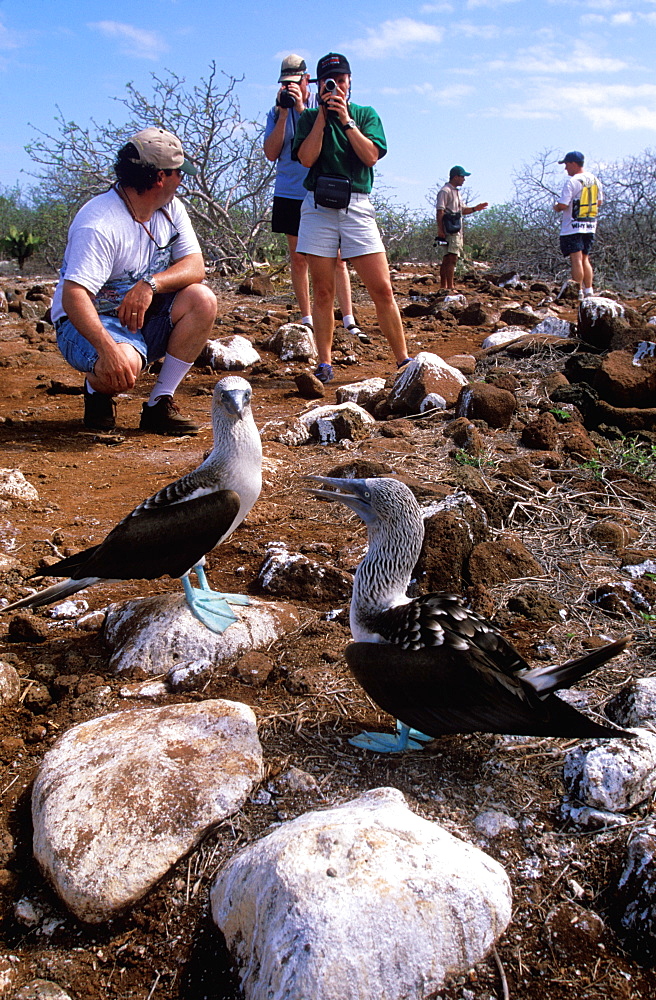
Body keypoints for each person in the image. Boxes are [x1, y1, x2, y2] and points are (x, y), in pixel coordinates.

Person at [51, 127, 217, 435]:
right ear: (159, 178)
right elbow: (74, 296)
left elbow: (195, 266)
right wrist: (108, 351)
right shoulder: (100, 223)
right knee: (124, 365)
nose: (182, 181)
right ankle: (98, 390)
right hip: (87, 321)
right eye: (178, 174)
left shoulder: (170, 209)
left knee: (202, 299)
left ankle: (159, 403)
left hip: (139, 314)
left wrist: (149, 285)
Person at [292, 52, 410, 384]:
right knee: (324, 290)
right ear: (317, 86)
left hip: (357, 206)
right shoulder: (308, 118)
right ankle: (324, 362)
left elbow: (370, 155)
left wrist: (345, 119)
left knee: (382, 288)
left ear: (350, 81)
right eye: (329, 82)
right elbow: (306, 158)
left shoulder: (365, 114)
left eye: (341, 80)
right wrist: (321, 119)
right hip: (318, 207)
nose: (336, 87)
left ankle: (403, 359)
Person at [263, 55, 366, 344]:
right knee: (298, 259)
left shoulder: (321, 105)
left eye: (294, 83)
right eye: (284, 84)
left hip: (319, 191)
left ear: (307, 81)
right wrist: (285, 114)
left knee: (336, 259)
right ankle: (306, 318)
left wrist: (301, 108)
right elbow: (271, 153)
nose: (289, 89)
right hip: (287, 192)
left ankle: (347, 319)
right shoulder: (275, 112)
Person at [553, 151, 603, 298]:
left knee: (576, 259)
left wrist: (556, 207)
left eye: (567, 164)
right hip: (590, 225)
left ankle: (578, 291)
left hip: (573, 226)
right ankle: (589, 290)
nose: (565, 168)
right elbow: (599, 202)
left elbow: (563, 204)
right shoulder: (595, 180)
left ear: (574, 163)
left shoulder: (573, 181)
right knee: (585, 258)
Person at [435, 166, 488, 291]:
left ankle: (445, 287)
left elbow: (462, 210)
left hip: (455, 228)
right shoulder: (445, 191)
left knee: (449, 257)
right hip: (449, 229)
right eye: (462, 176)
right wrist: (441, 230)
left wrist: (475, 208)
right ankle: (448, 287)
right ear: (455, 177)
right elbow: (440, 211)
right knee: (451, 258)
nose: (464, 179)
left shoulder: (456, 192)